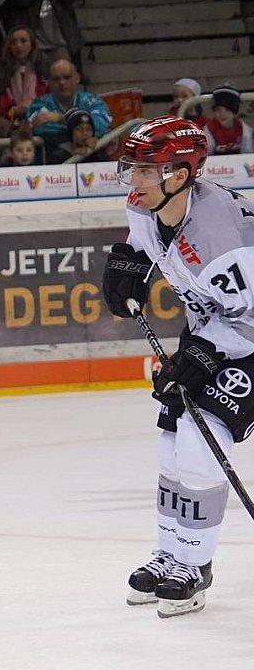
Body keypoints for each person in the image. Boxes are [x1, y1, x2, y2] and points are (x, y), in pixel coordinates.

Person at [102, 117, 244, 617]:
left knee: (203, 442)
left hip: (246, 339)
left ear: (180, 175)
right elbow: (144, 241)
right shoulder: (148, 204)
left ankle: (195, 566)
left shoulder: (222, 237)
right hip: (213, 333)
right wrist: (129, 262)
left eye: (146, 170)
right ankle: (171, 554)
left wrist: (204, 353)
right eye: (133, 168)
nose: (133, 180)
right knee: (172, 443)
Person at [199, 84, 251, 156]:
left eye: (227, 110)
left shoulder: (243, 128)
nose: (222, 114)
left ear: (235, 113)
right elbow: (206, 154)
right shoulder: (209, 129)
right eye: (218, 110)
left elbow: (248, 153)